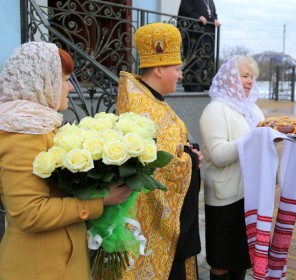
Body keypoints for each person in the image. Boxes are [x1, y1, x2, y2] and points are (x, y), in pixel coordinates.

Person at [0, 42, 131, 279]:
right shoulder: (23, 131)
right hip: (40, 267)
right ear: (42, 81)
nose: (70, 87)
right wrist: (99, 201)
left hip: (55, 259)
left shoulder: (37, 123)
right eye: (65, 79)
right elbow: (29, 212)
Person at [116, 22, 203, 279]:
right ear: (158, 69)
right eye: (177, 69)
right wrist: (188, 158)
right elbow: (160, 167)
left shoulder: (148, 97)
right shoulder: (144, 106)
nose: (180, 75)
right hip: (150, 226)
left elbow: (168, 148)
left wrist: (187, 151)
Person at [199, 55, 264, 280]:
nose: (249, 81)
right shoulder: (215, 110)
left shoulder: (252, 110)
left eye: (252, 77)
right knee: (222, 260)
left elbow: (260, 143)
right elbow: (217, 155)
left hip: (250, 196)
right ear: (229, 79)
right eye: (244, 76)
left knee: (242, 258)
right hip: (225, 197)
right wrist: (254, 139)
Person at [178, 0, 220, 92]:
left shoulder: (210, 1)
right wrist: (197, 17)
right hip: (194, 36)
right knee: (195, 59)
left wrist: (215, 19)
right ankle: (193, 85)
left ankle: (206, 83)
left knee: (207, 59)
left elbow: (213, 13)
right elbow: (185, 11)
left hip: (208, 35)